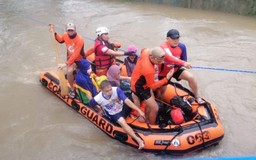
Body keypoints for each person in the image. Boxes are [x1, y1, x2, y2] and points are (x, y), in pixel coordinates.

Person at [89, 80, 145, 150]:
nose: (110, 92)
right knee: (122, 122)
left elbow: (126, 100)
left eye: (110, 89)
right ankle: (139, 140)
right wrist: (99, 110)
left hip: (122, 107)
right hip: (114, 113)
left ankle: (137, 114)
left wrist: (138, 110)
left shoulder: (116, 90)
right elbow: (91, 104)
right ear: (101, 90)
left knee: (134, 96)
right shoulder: (97, 99)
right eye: (107, 91)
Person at [159, 29, 205, 104]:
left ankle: (197, 97)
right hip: (164, 73)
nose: (176, 40)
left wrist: (182, 63)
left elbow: (184, 60)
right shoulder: (163, 46)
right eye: (173, 38)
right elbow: (169, 57)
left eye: (177, 38)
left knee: (191, 77)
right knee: (161, 92)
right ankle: (161, 104)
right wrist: (183, 63)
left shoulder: (182, 46)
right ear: (167, 39)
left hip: (175, 69)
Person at [131, 47, 174, 125]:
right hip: (139, 87)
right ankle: (152, 125)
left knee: (151, 101)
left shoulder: (146, 51)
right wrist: (166, 78)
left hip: (137, 78)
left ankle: (147, 116)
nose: (161, 63)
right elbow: (153, 86)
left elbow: (143, 49)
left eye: (162, 60)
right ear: (152, 57)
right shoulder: (149, 70)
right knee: (155, 108)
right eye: (159, 61)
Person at [49, 23, 85, 98]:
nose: (70, 32)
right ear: (67, 30)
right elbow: (60, 40)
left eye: (72, 30)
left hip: (79, 59)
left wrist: (65, 64)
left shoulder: (80, 39)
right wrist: (54, 32)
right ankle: (72, 88)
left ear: (75, 30)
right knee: (69, 72)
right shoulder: (65, 35)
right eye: (69, 30)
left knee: (81, 73)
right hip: (70, 57)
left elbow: (76, 54)